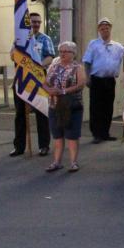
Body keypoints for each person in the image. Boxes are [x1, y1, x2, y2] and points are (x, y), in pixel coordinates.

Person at [10, 12, 55, 157]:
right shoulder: (20, 39)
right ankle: (19, 147)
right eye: (33, 22)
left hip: (38, 82)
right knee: (20, 115)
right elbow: (12, 55)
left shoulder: (45, 39)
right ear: (28, 23)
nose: (35, 24)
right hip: (22, 81)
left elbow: (49, 57)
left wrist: (38, 66)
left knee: (42, 113)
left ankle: (44, 146)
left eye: (38, 22)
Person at [43, 41, 87, 172]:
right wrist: (48, 90)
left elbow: (81, 84)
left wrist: (63, 91)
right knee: (57, 134)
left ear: (73, 53)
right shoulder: (53, 66)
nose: (62, 54)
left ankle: (73, 162)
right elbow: (45, 82)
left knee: (72, 135)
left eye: (65, 51)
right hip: (54, 105)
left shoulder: (78, 67)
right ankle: (57, 162)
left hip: (72, 105)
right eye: (60, 51)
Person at [82, 18, 124, 144]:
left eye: (107, 28)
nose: (105, 30)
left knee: (108, 107)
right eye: (102, 28)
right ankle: (96, 134)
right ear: (99, 30)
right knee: (96, 107)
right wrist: (87, 77)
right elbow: (86, 61)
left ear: (110, 29)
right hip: (96, 80)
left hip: (110, 80)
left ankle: (105, 133)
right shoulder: (93, 44)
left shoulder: (117, 46)